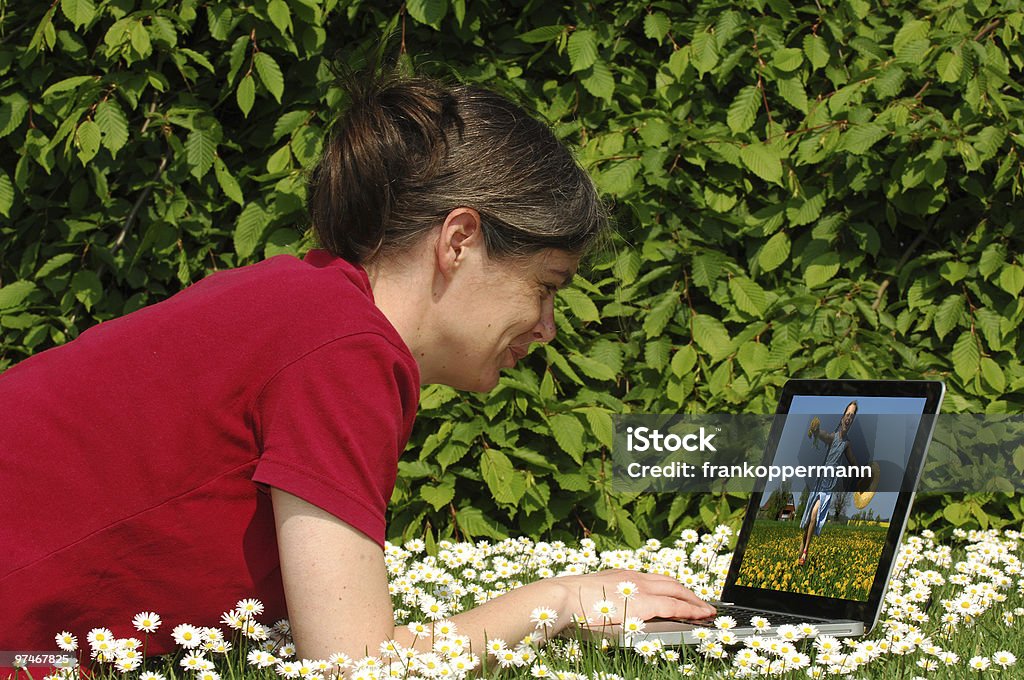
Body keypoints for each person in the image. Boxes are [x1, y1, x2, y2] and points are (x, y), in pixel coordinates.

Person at [0, 66, 714, 664]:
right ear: (459, 239)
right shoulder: (346, 349)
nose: (548, 329)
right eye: (546, 286)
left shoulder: (307, 303)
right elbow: (352, 668)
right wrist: (559, 599)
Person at [796, 400, 859, 566]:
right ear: (842, 417)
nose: (849, 417)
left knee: (814, 515)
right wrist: (815, 431)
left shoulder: (847, 444)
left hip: (828, 487)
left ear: (852, 421)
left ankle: (805, 552)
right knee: (809, 519)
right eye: (847, 414)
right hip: (819, 483)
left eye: (852, 415)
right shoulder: (833, 437)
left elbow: (853, 462)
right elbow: (822, 435)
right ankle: (802, 551)